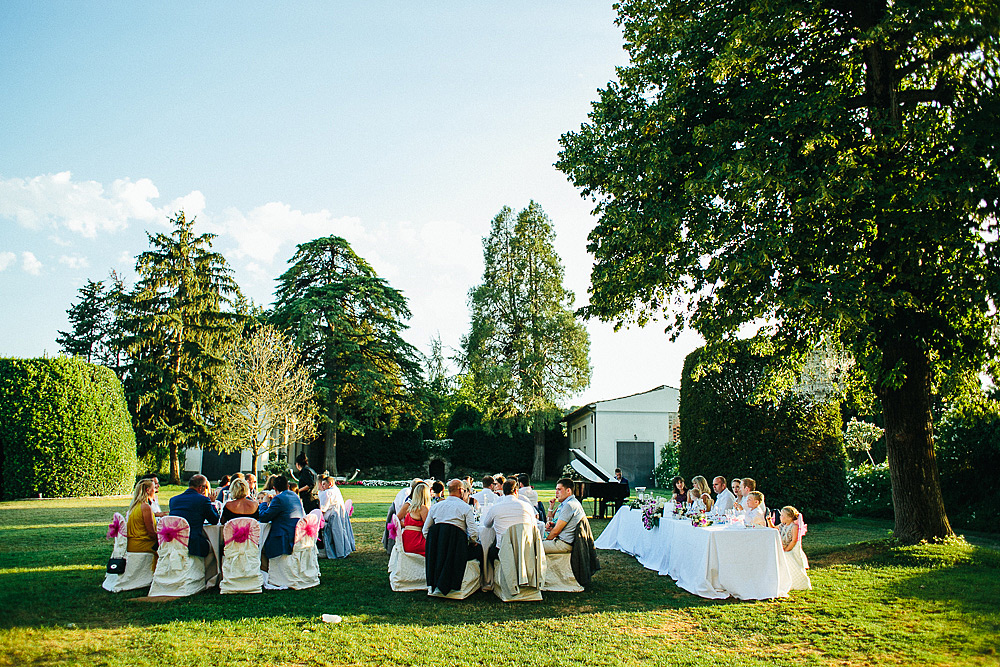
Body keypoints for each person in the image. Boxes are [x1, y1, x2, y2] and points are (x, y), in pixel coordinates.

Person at [423, 478, 481, 561]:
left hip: (438, 551)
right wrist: (468, 541)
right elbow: (473, 533)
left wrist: (436, 542)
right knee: (480, 550)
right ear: (461, 490)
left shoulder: (435, 507)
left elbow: (425, 531)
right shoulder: (465, 508)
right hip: (458, 551)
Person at [483, 479, 538, 561]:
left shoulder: (495, 507)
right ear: (516, 491)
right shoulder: (527, 507)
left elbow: (487, 524)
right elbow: (534, 526)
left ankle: (494, 573)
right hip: (523, 549)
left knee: (488, 552)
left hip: (502, 550)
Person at [168, 474, 220, 558]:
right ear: (200, 487)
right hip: (193, 542)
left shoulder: (173, 500)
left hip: (173, 541)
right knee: (214, 548)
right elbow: (214, 520)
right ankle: (209, 570)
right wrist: (212, 503)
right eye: (205, 487)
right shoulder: (203, 500)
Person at [257, 475, 306, 560]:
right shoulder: (294, 496)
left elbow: (263, 517)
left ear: (274, 488)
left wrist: (264, 503)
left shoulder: (279, 499)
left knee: (260, 549)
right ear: (288, 486)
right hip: (296, 534)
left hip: (283, 538)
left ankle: (268, 572)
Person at [769, 505, 812, 589]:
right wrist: (769, 521)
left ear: (789, 518)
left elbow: (794, 540)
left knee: (785, 557)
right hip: (783, 546)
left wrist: (787, 549)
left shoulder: (794, 527)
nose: (780, 517)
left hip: (790, 548)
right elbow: (774, 528)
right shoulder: (782, 525)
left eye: (782, 515)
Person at [543, 477, 586, 553]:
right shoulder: (567, 503)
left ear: (568, 490)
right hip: (561, 540)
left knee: (533, 547)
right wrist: (553, 524)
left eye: (559, 490)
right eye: (556, 489)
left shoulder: (569, 505)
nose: (556, 492)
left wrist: (545, 541)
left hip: (563, 543)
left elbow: (556, 531)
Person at [125, 479, 158, 558]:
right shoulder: (145, 507)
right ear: (148, 490)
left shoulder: (134, 506)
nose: (156, 490)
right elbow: (151, 532)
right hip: (143, 546)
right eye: (154, 488)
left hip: (132, 545)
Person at [400, 482, 431, 556]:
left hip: (406, 539)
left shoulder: (410, 507)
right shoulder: (423, 508)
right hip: (416, 540)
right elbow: (428, 526)